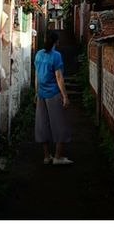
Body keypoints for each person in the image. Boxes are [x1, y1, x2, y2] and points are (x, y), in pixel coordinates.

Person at [34, 31, 73, 165]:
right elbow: (59, 77)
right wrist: (65, 96)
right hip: (53, 94)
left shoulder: (38, 54)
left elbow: (37, 75)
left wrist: (36, 92)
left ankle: (46, 156)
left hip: (41, 94)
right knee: (60, 124)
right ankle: (58, 157)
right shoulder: (56, 56)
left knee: (43, 124)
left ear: (45, 39)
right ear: (56, 42)